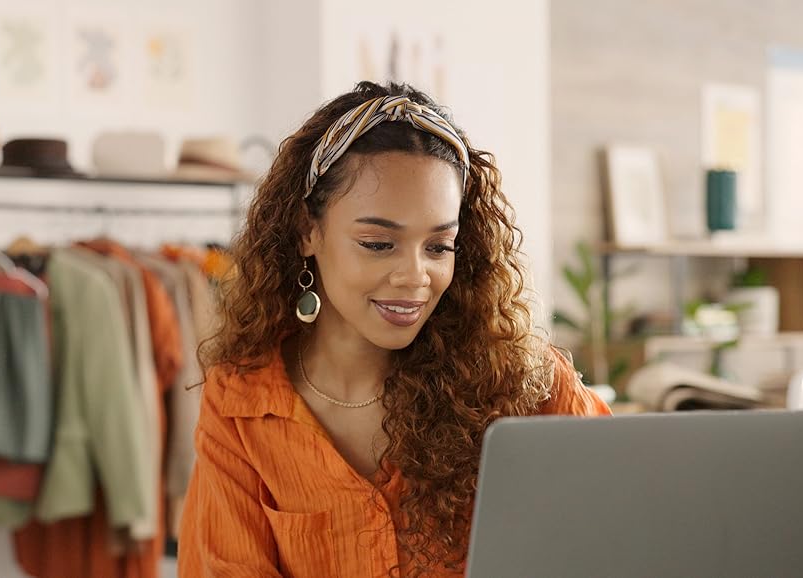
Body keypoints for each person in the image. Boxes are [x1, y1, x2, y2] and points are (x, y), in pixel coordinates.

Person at [177, 81, 611, 577]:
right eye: (379, 243)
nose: (415, 278)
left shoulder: (528, 386)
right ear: (307, 231)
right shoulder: (241, 405)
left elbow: (623, 530)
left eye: (438, 247)